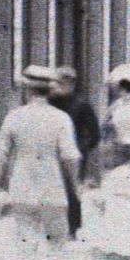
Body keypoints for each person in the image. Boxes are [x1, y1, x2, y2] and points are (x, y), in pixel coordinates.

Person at [0, 65, 83, 260]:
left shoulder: (14, 117)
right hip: (53, 186)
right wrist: (75, 184)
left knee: (26, 239)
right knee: (57, 241)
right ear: (50, 91)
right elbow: (70, 156)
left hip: (22, 186)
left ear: (26, 89)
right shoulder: (61, 118)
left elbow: (2, 155)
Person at [48, 66, 101, 239]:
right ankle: (54, 226)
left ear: (72, 84)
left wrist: (83, 148)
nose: (62, 86)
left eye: (65, 82)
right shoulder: (51, 103)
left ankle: (73, 228)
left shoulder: (81, 104)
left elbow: (94, 132)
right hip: (53, 152)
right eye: (59, 82)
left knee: (72, 191)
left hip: (74, 153)